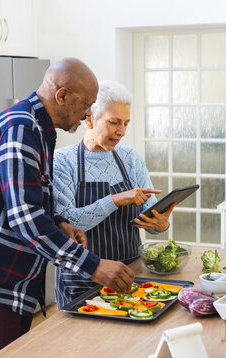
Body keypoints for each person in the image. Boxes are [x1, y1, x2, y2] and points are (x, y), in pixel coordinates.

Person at [0, 59, 135, 358]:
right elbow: (25, 218)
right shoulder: (21, 129)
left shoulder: (39, 130)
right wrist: (93, 266)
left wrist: (57, 222)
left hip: (8, 280)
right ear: (63, 96)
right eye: (86, 105)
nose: (87, 114)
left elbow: (27, 198)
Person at [52, 80, 176, 309]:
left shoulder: (130, 158)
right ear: (88, 119)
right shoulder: (63, 162)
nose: (121, 131)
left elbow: (149, 218)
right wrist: (116, 199)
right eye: (114, 122)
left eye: (126, 124)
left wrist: (159, 224)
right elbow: (68, 221)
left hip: (129, 276)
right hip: (81, 278)